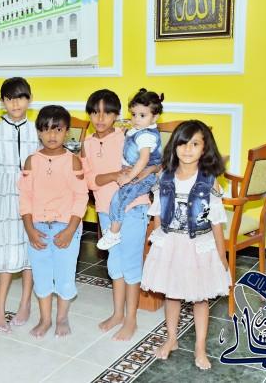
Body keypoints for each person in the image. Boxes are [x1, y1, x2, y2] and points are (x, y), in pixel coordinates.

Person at [140, 120, 231, 370]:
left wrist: (222, 255)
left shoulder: (209, 181)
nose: (188, 149)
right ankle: (171, 339)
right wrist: (157, 243)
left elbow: (216, 221)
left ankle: (200, 347)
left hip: (198, 246)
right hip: (170, 243)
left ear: (205, 148)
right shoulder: (164, 177)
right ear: (174, 146)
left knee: (199, 297)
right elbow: (158, 213)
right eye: (183, 143)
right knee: (172, 293)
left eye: (195, 144)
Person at [80, 89, 152, 341]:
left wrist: (130, 175)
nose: (100, 118)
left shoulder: (128, 138)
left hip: (133, 208)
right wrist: (113, 175)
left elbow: (149, 165)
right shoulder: (87, 144)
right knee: (115, 263)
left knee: (131, 264)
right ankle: (118, 314)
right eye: (95, 112)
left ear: (116, 115)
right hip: (105, 210)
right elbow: (91, 181)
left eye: (107, 113)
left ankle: (131, 319)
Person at [19, 105, 88, 338]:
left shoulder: (73, 161)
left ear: (66, 132)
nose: (52, 135)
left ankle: (62, 317)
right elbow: (25, 198)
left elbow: (81, 197)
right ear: (39, 132)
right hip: (37, 228)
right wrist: (29, 229)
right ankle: (45, 319)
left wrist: (70, 230)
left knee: (65, 275)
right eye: (46, 129)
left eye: (58, 129)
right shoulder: (31, 161)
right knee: (41, 275)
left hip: (66, 228)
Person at [0, 77, 40, 332]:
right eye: (9, 99)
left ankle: (26, 303)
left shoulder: (37, 130)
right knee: (5, 253)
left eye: (20, 98)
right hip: (3, 197)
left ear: (29, 99)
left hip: (32, 195)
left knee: (31, 249)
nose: (15, 103)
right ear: (2, 102)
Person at [97, 88, 163, 250]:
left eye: (142, 115)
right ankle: (115, 225)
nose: (136, 119)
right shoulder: (137, 131)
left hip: (142, 175)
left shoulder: (146, 136)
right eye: (134, 114)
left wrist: (129, 177)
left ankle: (114, 233)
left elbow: (144, 159)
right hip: (136, 170)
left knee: (119, 198)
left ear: (155, 117)